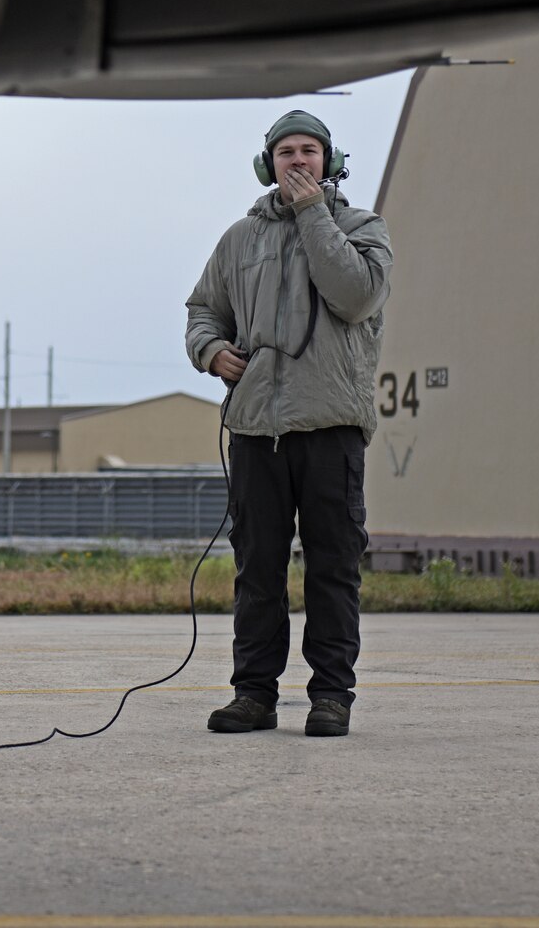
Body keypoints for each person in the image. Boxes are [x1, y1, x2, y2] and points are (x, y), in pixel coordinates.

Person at [185, 109, 393, 737]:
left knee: (332, 567)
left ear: (329, 162)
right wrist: (209, 350)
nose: (297, 161)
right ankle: (253, 695)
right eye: (285, 153)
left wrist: (313, 216)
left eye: (309, 151)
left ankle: (331, 696)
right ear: (267, 164)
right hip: (256, 431)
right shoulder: (238, 240)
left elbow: (354, 296)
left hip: (330, 426)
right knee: (258, 570)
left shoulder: (362, 227)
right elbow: (202, 309)